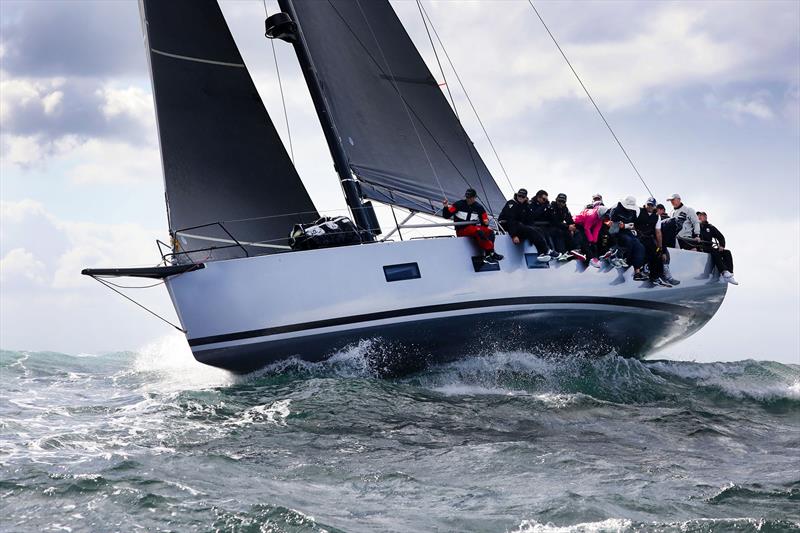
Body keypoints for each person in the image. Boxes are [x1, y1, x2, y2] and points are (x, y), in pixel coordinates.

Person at [443, 188, 503, 263]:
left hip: (473, 230)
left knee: (490, 232)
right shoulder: (458, 204)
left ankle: (488, 255)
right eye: (467, 197)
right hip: (461, 230)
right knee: (477, 230)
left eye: (470, 197)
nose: (468, 199)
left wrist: (485, 223)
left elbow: (484, 222)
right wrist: (445, 206)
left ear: (475, 197)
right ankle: (492, 252)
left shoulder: (479, 207)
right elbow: (446, 215)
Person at [498, 188, 551, 262]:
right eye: (519, 195)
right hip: (506, 225)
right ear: (517, 195)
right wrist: (514, 235)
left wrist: (532, 232)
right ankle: (546, 251)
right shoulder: (511, 203)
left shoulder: (525, 206)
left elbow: (530, 220)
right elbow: (510, 220)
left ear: (526, 198)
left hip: (518, 226)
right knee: (527, 228)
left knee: (538, 229)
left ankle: (543, 252)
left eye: (523, 196)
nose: (520, 198)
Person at [609, 196, 647, 280]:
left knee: (639, 246)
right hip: (616, 232)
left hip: (627, 231)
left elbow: (633, 224)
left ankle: (637, 272)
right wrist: (620, 226)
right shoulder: (615, 209)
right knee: (628, 240)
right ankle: (620, 258)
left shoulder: (633, 211)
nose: (630, 209)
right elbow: (612, 226)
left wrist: (626, 226)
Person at [635, 197, 671, 286]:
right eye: (649, 204)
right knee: (641, 250)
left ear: (655, 206)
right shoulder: (638, 211)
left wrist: (660, 247)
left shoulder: (657, 216)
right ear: (646, 204)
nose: (650, 207)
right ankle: (639, 271)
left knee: (657, 254)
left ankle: (655, 277)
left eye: (652, 205)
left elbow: (658, 232)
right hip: (637, 237)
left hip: (648, 238)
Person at [697, 211, 738, 285]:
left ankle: (730, 274)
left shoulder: (710, 227)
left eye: (701, 216)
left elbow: (721, 237)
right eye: (698, 216)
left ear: (705, 217)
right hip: (700, 247)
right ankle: (723, 271)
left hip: (709, 247)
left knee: (727, 252)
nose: (699, 217)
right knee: (714, 251)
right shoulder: (695, 226)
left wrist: (721, 245)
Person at [549, 193, 582, 261]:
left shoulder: (565, 209)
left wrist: (572, 227)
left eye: (563, 202)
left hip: (561, 226)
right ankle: (562, 253)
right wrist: (567, 227)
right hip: (550, 227)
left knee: (578, 231)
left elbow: (569, 220)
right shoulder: (551, 207)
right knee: (560, 232)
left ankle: (575, 250)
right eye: (559, 201)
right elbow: (554, 222)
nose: (561, 203)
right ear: (556, 200)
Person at [529, 189, 558, 256]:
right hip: (534, 225)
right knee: (544, 233)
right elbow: (534, 215)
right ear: (538, 198)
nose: (545, 201)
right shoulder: (531, 204)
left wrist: (550, 210)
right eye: (544, 199)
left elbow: (552, 219)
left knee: (557, 231)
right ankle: (547, 251)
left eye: (546, 200)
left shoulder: (545, 206)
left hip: (544, 225)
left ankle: (559, 251)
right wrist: (543, 207)